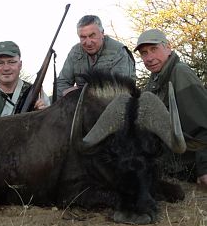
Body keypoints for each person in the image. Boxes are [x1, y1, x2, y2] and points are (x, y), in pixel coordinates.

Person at [134, 28, 207, 186]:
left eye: (154, 49)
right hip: (170, 160)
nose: (149, 58)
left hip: (188, 161)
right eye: (144, 53)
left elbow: (204, 125)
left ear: (168, 47)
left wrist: (204, 168)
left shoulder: (180, 73)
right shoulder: (154, 81)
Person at [56, 15, 136, 98]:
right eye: (83, 37)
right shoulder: (75, 52)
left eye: (92, 35)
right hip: (81, 105)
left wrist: (81, 91)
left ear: (102, 33)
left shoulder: (118, 51)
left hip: (113, 106)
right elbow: (62, 83)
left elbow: (122, 89)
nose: (88, 42)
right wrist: (65, 92)